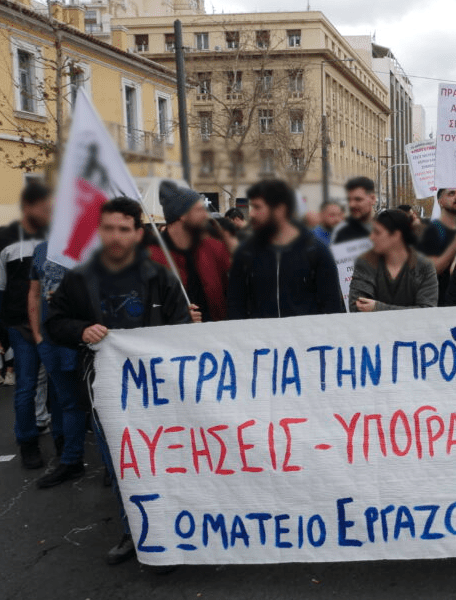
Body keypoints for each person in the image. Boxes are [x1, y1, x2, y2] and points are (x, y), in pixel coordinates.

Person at [46, 197, 192, 565]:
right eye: (109, 228)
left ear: (138, 233)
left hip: (159, 393)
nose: (116, 236)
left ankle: (174, 533)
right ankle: (136, 533)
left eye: (124, 229)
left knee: (164, 464)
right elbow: (55, 324)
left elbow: (182, 330)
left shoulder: (161, 277)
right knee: (122, 467)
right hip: (107, 394)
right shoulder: (79, 279)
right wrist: (81, 330)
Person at [227, 180, 343, 319]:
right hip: (259, 332)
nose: (251, 214)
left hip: (307, 332)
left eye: (257, 207)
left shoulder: (317, 251)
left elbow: (332, 307)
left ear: (280, 209)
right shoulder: (245, 253)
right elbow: (235, 305)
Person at [0, 182, 52, 469]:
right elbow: (0, 288)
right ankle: (28, 443)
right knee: (26, 385)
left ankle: (62, 440)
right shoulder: (5, 241)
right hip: (20, 324)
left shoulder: (55, 237)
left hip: (53, 323)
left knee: (58, 383)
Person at [29, 240, 85, 488]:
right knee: (68, 401)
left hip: (84, 336)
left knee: (99, 403)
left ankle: (111, 466)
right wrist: (38, 336)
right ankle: (71, 461)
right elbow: (34, 293)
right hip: (51, 340)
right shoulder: (41, 249)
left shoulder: (91, 243)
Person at [147, 181, 231, 323]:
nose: (206, 215)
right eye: (199, 210)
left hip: (217, 332)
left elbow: (232, 294)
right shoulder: (152, 256)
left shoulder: (212, 248)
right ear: (182, 215)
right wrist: (179, 317)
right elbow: (149, 306)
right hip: (174, 335)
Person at [349, 209, 438, 312]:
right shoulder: (365, 262)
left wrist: (377, 308)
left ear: (396, 236)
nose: (371, 237)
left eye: (377, 232)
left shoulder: (423, 266)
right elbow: (357, 307)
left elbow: (427, 311)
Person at [417, 188, 456, 304]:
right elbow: (433, 269)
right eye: (451, 194)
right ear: (440, 201)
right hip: (442, 301)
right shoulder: (432, 231)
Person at [332, 177, 376, 244]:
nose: (351, 205)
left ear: (372, 199)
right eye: (349, 200)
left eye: (358, 199)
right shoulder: (341, 231)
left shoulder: (384, 227)